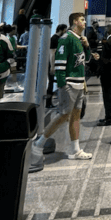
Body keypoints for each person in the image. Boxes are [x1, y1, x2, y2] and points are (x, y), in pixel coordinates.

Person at [37, 12, 93, 161]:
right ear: (75, 22)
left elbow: (86, 59)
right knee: (63, 115)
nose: (84, 22)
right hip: (69, 83)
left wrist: (87, 46)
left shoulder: (79, 39)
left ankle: (75, 149)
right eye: (82, 20)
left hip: (79, 83)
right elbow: (59, 64)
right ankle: (38, 144)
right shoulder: (66, 39)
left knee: (75, 116)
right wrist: (62, 84)